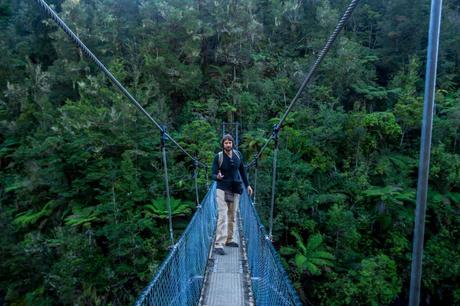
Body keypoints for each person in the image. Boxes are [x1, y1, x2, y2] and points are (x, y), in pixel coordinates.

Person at [211, 134, 253, 255]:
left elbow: (242, 171)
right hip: (222, 188)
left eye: (230, 142)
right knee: (223, 215)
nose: (228, 144)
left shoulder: (238, 155)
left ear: (232, 144)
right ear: (223, 144)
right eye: (226, 143)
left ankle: (229, 239)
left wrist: (247, 185)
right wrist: (217, 176)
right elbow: (212, 174)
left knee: (232, 215)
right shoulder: (218, 157)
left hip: (235, 188)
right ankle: (219, 244)